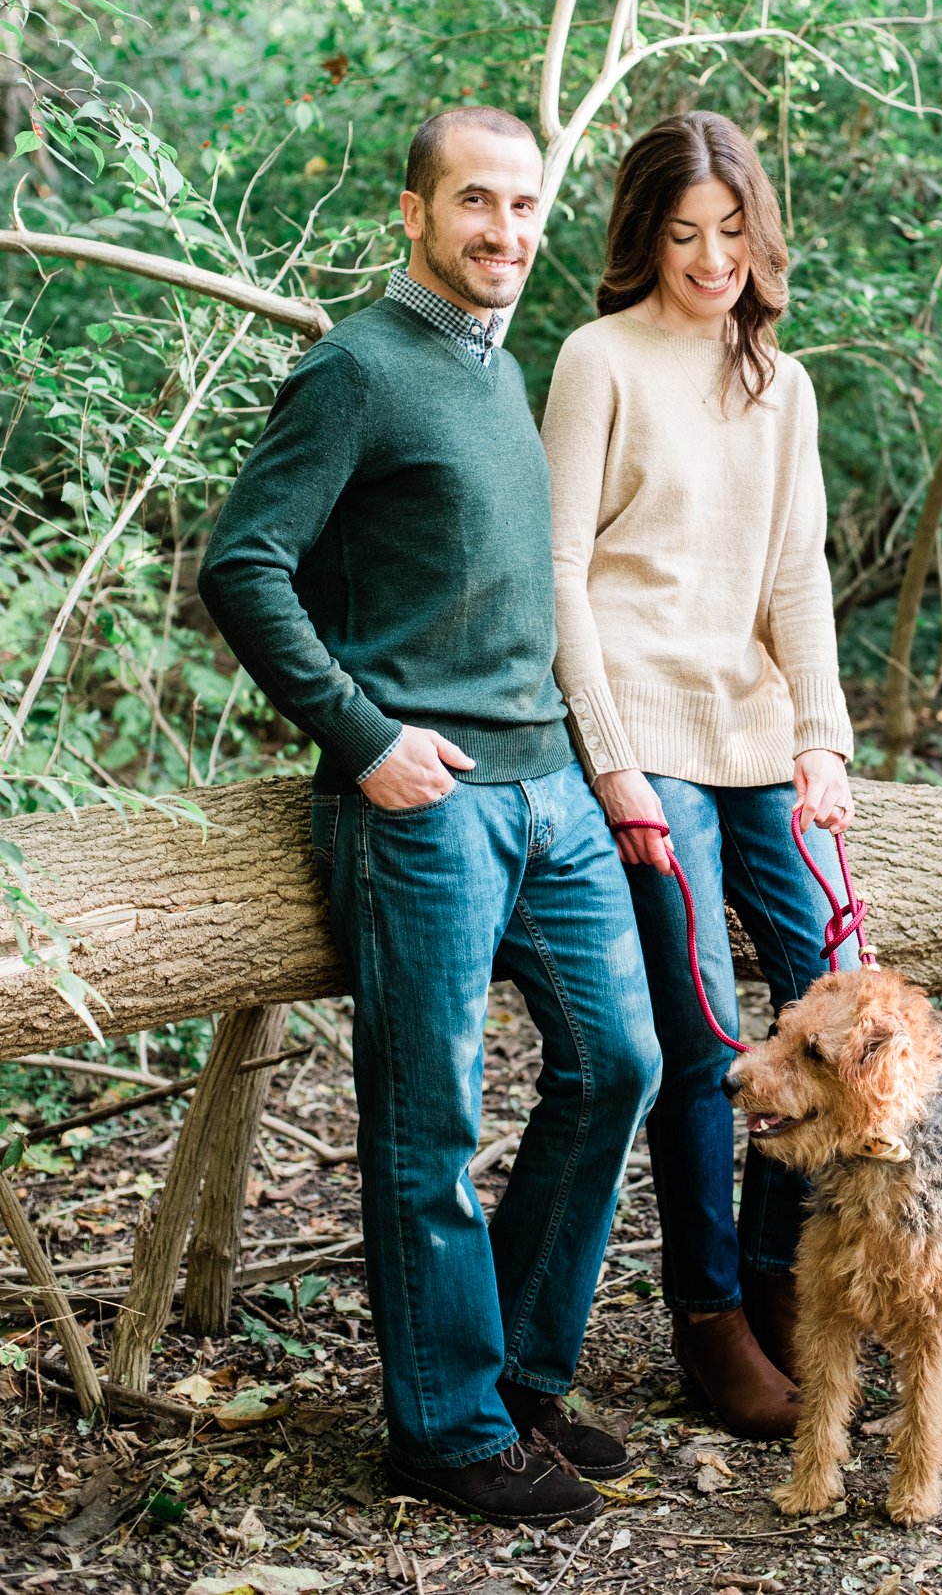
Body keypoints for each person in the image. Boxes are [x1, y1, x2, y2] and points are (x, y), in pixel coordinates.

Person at [198, 105, 662, 1527]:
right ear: (414, 214)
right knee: (428, 1124)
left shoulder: (491, 360)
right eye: (475, 204)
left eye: (524, 208)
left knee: (618, 1064)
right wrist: (363, 736)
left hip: (547, 793)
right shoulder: (356, 368)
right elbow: (243, 563)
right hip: (424, 807)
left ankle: (515, 1377)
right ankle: (447, 1430)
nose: (505, 233)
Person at [540, 109, 858, 1440]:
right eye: (682, 234)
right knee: (702, 1040)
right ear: (641, 237)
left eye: (731, 231)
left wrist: (823, 741)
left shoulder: (775, 384)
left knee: (829, 1012)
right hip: (647, 732)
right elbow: (556, 573)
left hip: (757, 732)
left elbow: (794, 578)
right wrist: (611, 766)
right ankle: (708, 1317)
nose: (711, 257)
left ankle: (784, 1281)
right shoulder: (595, 359)